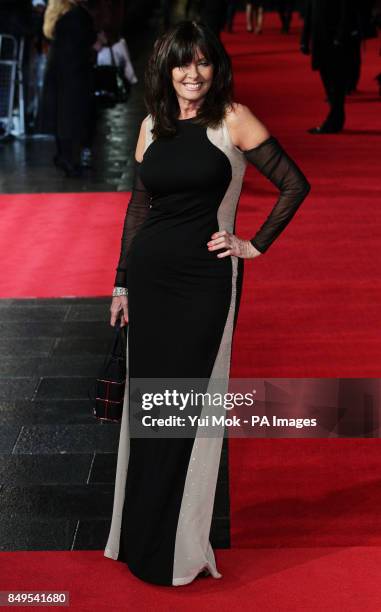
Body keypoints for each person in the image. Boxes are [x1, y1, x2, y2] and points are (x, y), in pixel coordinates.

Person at [104, 20, 310, 587]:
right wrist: (122, 283)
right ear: (165, 69)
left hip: (204, 284)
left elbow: (294, 183)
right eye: (181, 64)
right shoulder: (153, 124)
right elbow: (139, 209)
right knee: (149, 412)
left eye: (202, 63)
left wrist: (252, 244)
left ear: (215, 68)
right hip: (149, 281)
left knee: (185, 411)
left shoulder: (233, 120)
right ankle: (138, 538)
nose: (192, 74)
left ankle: (177, 550)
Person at [41, 0, 100, 176]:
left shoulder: (56, 15)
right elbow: (87, 39)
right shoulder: (77, 15)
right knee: (75, 119)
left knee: (62, 117)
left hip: (60, 73)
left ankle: (63, 156)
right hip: (76, 74)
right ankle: (70, 161)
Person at [301, 0, 362, 134]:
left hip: (336, 44)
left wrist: (340, 37)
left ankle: (333, 121)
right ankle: (335, 119)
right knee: (329, 84)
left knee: (336, 85)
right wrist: (304, 40)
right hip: (320, 42)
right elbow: (310, 13)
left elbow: (346, 13)